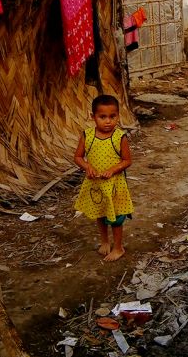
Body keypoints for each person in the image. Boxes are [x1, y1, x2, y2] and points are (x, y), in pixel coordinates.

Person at [74, 94, 134, 262]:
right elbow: (78, 157)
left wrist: (113, 169)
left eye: (112, 116)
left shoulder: (119, 137)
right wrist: (87, 167)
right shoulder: (87, 135)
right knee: (99, 213)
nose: (108, 121)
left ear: (118, 116)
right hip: (96, 185)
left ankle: (118, 247)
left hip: (115, 185)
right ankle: (104, 241)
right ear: (93, 116)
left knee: (116, 218)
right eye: (103, 117)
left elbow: (127, 160)